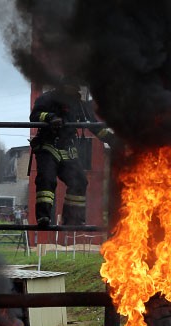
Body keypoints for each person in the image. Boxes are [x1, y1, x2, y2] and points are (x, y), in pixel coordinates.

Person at [29, 76, 113, 226]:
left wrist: (112, 140)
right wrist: (51, 118)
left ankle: (72, 218)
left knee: (79, 181)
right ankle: (44, 217)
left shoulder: (79, 105)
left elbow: (94, 125)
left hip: (67, 148)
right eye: (74, 87)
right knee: (47, 180)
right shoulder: (47, 99)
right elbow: (35, 115)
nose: (77, 90)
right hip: (48, 146)